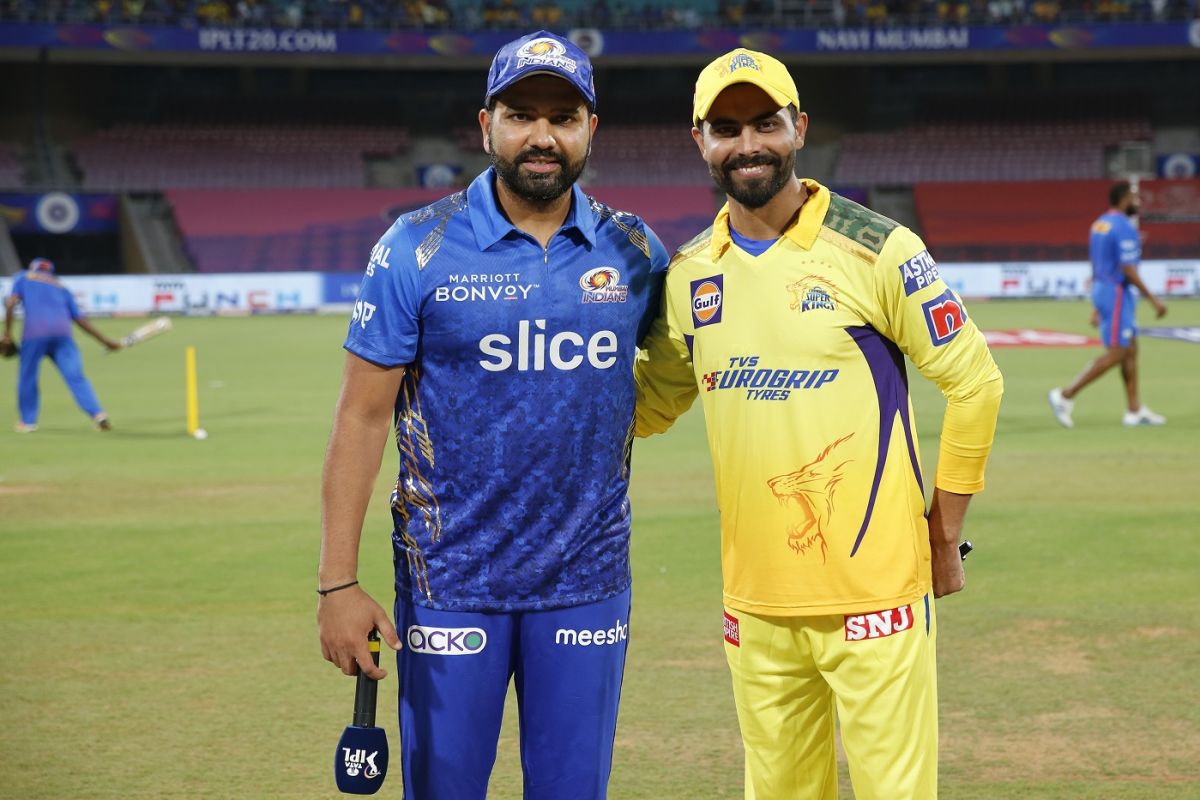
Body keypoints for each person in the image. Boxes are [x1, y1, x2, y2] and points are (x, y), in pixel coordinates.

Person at [633, 49, 1003, 799]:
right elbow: (653, 403)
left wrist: (940, 535)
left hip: (877, 600)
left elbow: (976, 384)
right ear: (697, 140)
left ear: (798, 127)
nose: (748, 145)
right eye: (726, 128)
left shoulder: (879, 250)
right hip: (756, 605)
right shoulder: (688, 274)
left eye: (765, 123)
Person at [316, 30, 669, 800]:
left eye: (563, 116)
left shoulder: (638, 251)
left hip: (589, 579)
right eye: (520, 113)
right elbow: (361, 420)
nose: (542, 135)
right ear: (487, 125)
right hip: (449, 579)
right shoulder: (413, 248)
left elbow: (675, 372)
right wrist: (336, 584)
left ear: (590, 131)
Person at [1048, 180, 1167, 428]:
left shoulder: (1099, 224)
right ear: (1123, 198)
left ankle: (1134, 410)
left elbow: (1098, 263)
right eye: (1135, 197)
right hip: (1116, 293)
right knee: (1118, 351)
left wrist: (1096, 304)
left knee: (1131, 347)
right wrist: (1153, 299)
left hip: (1104, 290)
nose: (1139, 201)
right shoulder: (1124, 227)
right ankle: (1065, 395)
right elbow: (1127, 269)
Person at [2, 258, 119, 432]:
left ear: (33, 268)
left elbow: (11, 303)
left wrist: (7, 333)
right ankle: (97, 413)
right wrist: (106, 341)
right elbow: (80, 320)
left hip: (35, 333)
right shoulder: (62, 287)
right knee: (76, 377)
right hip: (63, 334)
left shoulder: (24, 277)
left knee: (28, 377)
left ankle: (28, 422)